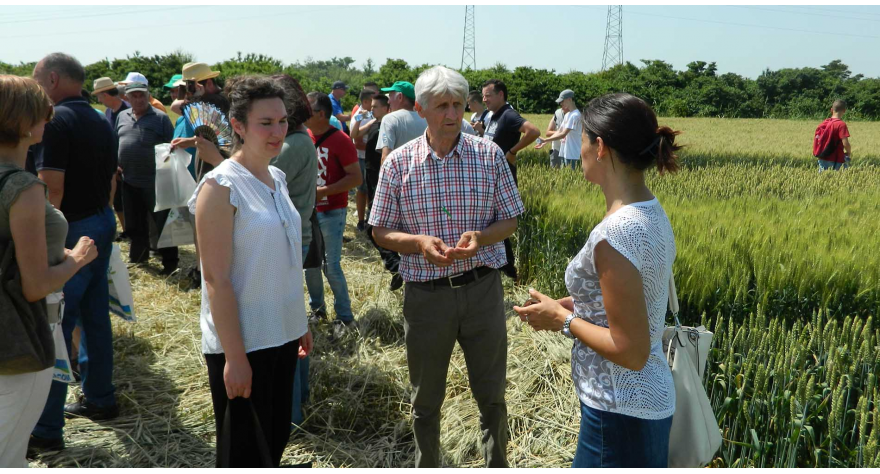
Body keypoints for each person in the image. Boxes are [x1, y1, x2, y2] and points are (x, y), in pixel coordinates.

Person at [513, 93, 681, 468]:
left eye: (584, 138)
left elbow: (630, 351)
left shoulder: (616, 235)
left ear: (600, 146)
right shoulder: (651, 212)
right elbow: (634, 301)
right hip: (645, 404)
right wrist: (567, 304)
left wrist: (563, 321)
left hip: (619, 413)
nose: (582, 147)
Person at [369, 66, 524, 468]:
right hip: (426, 297)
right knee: (426, 398)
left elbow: (510, 219)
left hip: (482, 290)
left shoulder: (488, 156)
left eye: (458, 104)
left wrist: (482, 239)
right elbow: (381, 230)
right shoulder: (399, 164)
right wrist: (418, 243)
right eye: (442, 106)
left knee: (491, 393)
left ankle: (496, 463)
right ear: (421, 109)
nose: (452, 114)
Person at [187, 75, 311, 467]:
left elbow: (284, 258)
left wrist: (300, 319)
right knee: (245, 451)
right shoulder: (220, 186)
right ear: (238, 126)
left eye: (282, 121)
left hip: (282, 332)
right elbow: (215, 279)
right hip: (245, 340)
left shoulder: (276, 177)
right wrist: (235, 357)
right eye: (265, 123)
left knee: (273, 441)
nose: (277, 132)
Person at [0, 75, 99, 468]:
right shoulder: (23, 187)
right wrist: (78, 257)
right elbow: (35, 285)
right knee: (10, 453)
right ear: (25, 122)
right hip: (18, 337)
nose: (50, 119)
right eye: (44, 113)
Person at [28, 52, 118, 454]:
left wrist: (49, 241)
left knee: (57, 328)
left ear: (51, 79)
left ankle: (47, 429)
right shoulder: (100, 118)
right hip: (100, 220)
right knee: (96, 317)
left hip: (73, 228)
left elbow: (52, 186)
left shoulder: (58, 120)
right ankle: (100, 398)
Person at [269, 73, 316, 425]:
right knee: (291, 321)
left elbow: (255, 179)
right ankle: (298, 402)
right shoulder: (299, 140)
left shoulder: (293, 146)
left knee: (286, 329)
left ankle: (293, 411)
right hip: (288, 238)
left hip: (285, 241)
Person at [304, 92, 361, 338]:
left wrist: (324, 191)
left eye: (308, 109)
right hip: (308, 212)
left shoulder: (341, 140)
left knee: (331, 265)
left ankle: (345, 317)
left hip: (332, 211)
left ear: (321, 114)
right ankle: (318, 310)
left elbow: (356, 178)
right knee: (311, 266)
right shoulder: (302, 137)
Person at [371, 81, 428, 291]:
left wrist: (382, 189)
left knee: (380, 230)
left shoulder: (390, 119)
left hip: (398, 186)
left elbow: (386, 157)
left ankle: (398, 269)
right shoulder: (425, 119)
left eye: (391, 95)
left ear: (401, 97)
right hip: (424, 187)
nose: (388, 99)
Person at [481, 79, 540, 280]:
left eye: (488, 95)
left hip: (501, 180)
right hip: (489, 179)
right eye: (483, 96)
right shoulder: (494, 116)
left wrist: (512, 151)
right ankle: (502, 267)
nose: (484, 99)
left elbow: (533, 131)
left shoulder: (508, 115)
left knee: (501, 224)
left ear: (501, 95)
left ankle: (508, 270)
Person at [116, 82, 177, 274]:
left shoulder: (160, 118)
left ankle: (170, 264)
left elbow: (172, 148)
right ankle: (139, 258)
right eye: (134, 96)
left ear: (148, 95)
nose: (139, 99)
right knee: (134, 224)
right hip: (129, 180)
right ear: (127, 98)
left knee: (162, 225)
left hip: (155, 182)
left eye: (142, 95)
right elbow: (117, 141)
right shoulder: (122, 116)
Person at [536, 89, 582, 171]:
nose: (561, 104)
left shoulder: (575, 115)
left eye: (562, 101)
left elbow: (563, 134)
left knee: (570, 179)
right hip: (564, 153)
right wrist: (545, 142)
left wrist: (546, 139)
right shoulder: (568, 114)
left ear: (569, 99)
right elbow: (559, 131)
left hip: (573, 155)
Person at [350, 89, 375, 231]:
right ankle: (361, 221)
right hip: (363, 158)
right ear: (366, 101)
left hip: (368, 158)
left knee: (368, 189)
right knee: (363, 188)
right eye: (372, 101)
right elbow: (356, 141)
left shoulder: (368, 114)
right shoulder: (360, 116)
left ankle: (367, 218)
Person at [815, 99, 852, 172]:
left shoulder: (824, 123)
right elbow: (845, 143)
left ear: (831, 110)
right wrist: (848, 152)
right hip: (836, 159)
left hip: (822, 157)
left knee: (822, 181)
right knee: (837, 181)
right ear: (844, 111)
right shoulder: (841, 124)